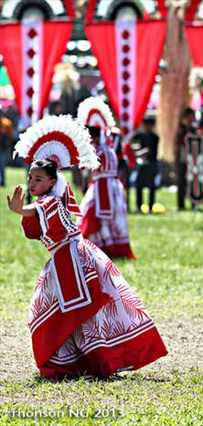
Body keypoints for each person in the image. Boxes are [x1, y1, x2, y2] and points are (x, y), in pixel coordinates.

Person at [7, 116, 167, 379]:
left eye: (38, 179)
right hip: (66, 258)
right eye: (30, 178)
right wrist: (24, 212)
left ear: (50, 182)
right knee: (70, 311)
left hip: (73, 259)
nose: (32, 184)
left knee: (80, 311)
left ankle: (91, 359)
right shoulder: (50, 198)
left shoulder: (49, 201)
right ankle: (79, 359)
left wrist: (20, 210)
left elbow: (38, 209)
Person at [77, 97, 135, 259]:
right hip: (112, 185)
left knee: (92, 214)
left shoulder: (100, 150)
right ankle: (109, 246)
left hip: (102, 185)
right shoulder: (108, 148)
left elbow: (85, 166)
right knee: (112, 218)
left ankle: (99, 247)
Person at [131, 117, 160, 214]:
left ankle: (150, 207)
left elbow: (150, 150)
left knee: (151, 187)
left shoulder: (155, 137)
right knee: (139, 186)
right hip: (141, 164)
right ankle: (139, 206)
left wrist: (139, 152)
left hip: (151, 163)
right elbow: (132, 143)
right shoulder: (140, 136)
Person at [175, 108, 196, 210]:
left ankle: (194, 202)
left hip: (194, 158)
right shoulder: (181, 129)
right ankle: (181, 204)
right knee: (181, 181)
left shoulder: (195, 129)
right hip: (183, 157)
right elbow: (178, 142)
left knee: (193, 181)